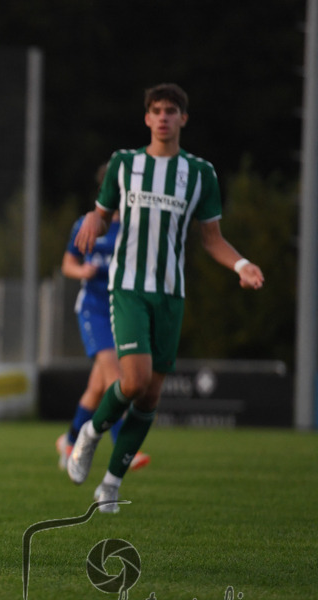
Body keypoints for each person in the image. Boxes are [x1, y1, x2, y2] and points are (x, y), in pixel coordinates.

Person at [67, 83, 264, 512]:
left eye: (170, 111)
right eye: (156, 110)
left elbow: (212, 239)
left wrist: (241, 265)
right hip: (129, 289)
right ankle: (89, 435)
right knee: (133, 381)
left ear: (182, 119)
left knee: (151, 396)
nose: (162, 117)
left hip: (171, 294)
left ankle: (111, 486)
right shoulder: (124, 164)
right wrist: (90, 221)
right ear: (146, 118)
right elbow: (102, 219)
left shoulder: (200, 173)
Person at [55, 166, 149, 473]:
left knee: (96, 390)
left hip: (121, 313)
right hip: (93, 310)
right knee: (116, 378)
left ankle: (68, 440)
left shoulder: (136, 230)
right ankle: (125, 446)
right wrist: (82, 271)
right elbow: (68, 263)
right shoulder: (87, 224)